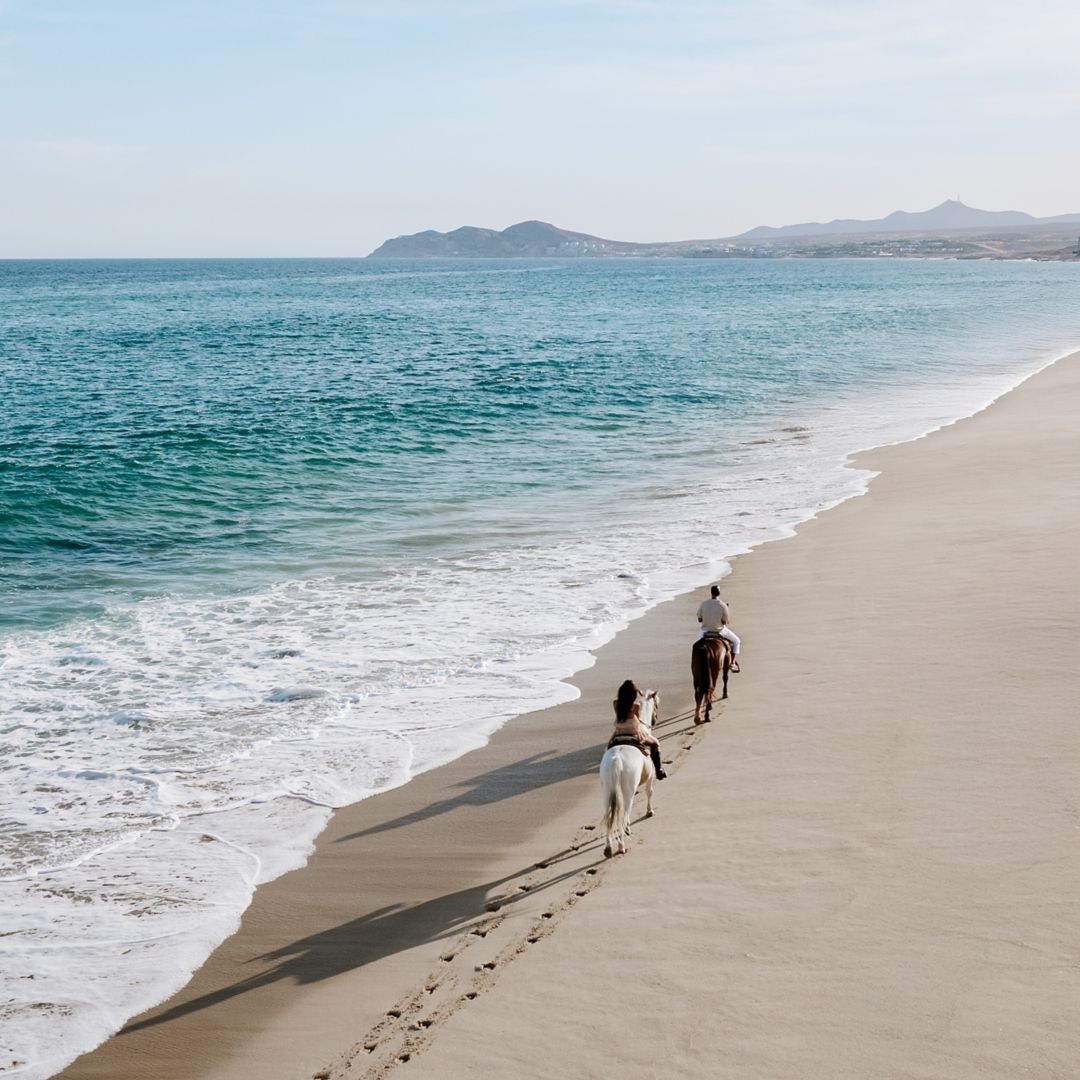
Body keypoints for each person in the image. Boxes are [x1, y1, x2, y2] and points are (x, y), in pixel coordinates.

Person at [607, 679, 667, 780]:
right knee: (655, 743)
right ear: (633, 695)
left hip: (618, 733)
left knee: (609, 748)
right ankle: (659, 770)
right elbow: (638, 722)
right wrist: (637, 691)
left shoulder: (616, 704)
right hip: (633, 733)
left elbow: (618, 704)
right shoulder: (636, 706)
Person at [696, 584, 741, 672]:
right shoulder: (723, 605)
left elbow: (699, 619)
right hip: (719, 630)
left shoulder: (704, 604)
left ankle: (696, 663)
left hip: (705, 630)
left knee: (696, 646)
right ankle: (732, 663)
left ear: (711, 593)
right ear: (719, 593)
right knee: (736, 641)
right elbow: (725, 622)